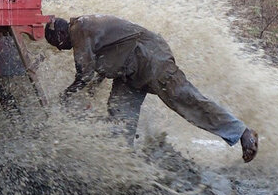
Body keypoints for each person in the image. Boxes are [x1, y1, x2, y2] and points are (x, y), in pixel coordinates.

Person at [44, 14, 259, 162]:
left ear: (60, 36)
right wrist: (92, 87)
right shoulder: (85, 27)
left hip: (150, 58)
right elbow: (103, 60)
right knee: (119, 114)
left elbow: (84, 74)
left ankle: (242, 132)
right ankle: (124, 163)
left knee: (184, 98)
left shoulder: (78, 29)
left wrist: (64, 97)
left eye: (57, 45)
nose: (60, 49)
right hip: (129, 73)